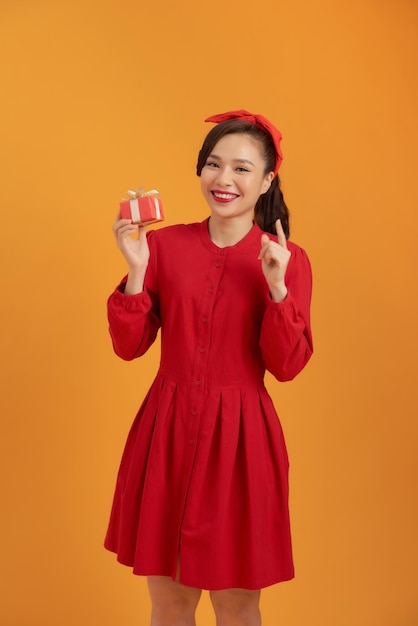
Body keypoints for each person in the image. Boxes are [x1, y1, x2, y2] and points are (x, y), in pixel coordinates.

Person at [105, 109, 313, 626]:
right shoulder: (163, 246)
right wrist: (135, 272)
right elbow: (128, 347)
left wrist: (279, 288)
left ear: (267, 181)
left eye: (242, 169)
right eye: (214, 164)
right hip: (167, 434)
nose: (224, 180)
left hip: (242, 445)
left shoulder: (287, 258)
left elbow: (286, 367)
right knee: (170, 601)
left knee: (239, 604)